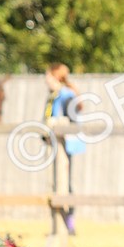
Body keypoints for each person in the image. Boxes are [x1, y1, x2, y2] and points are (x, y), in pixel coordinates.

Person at [44, 63, 84, 235]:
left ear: (55, 77)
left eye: (48, 76)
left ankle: (69, 223)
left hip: (66, 144)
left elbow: (71, 120)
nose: (46, 79)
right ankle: (59, 224)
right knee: (56, 184)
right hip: (55, 143)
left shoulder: (66, 95)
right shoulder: (54, 95)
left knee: (65, 184)